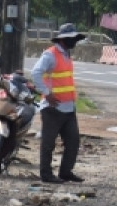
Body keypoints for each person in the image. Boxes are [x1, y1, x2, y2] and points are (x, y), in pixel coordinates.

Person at [30, 23, 86, 184]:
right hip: (53, 109)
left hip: (68, 108)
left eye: (75, 38)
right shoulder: (50, 54)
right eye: (72, 38)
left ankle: (65, 172)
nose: (74, 41)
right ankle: (46, 175)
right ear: (62, 39)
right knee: (48, 144)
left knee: (73, 141)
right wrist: (47, 94)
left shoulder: (66, 54)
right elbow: (35, 73)